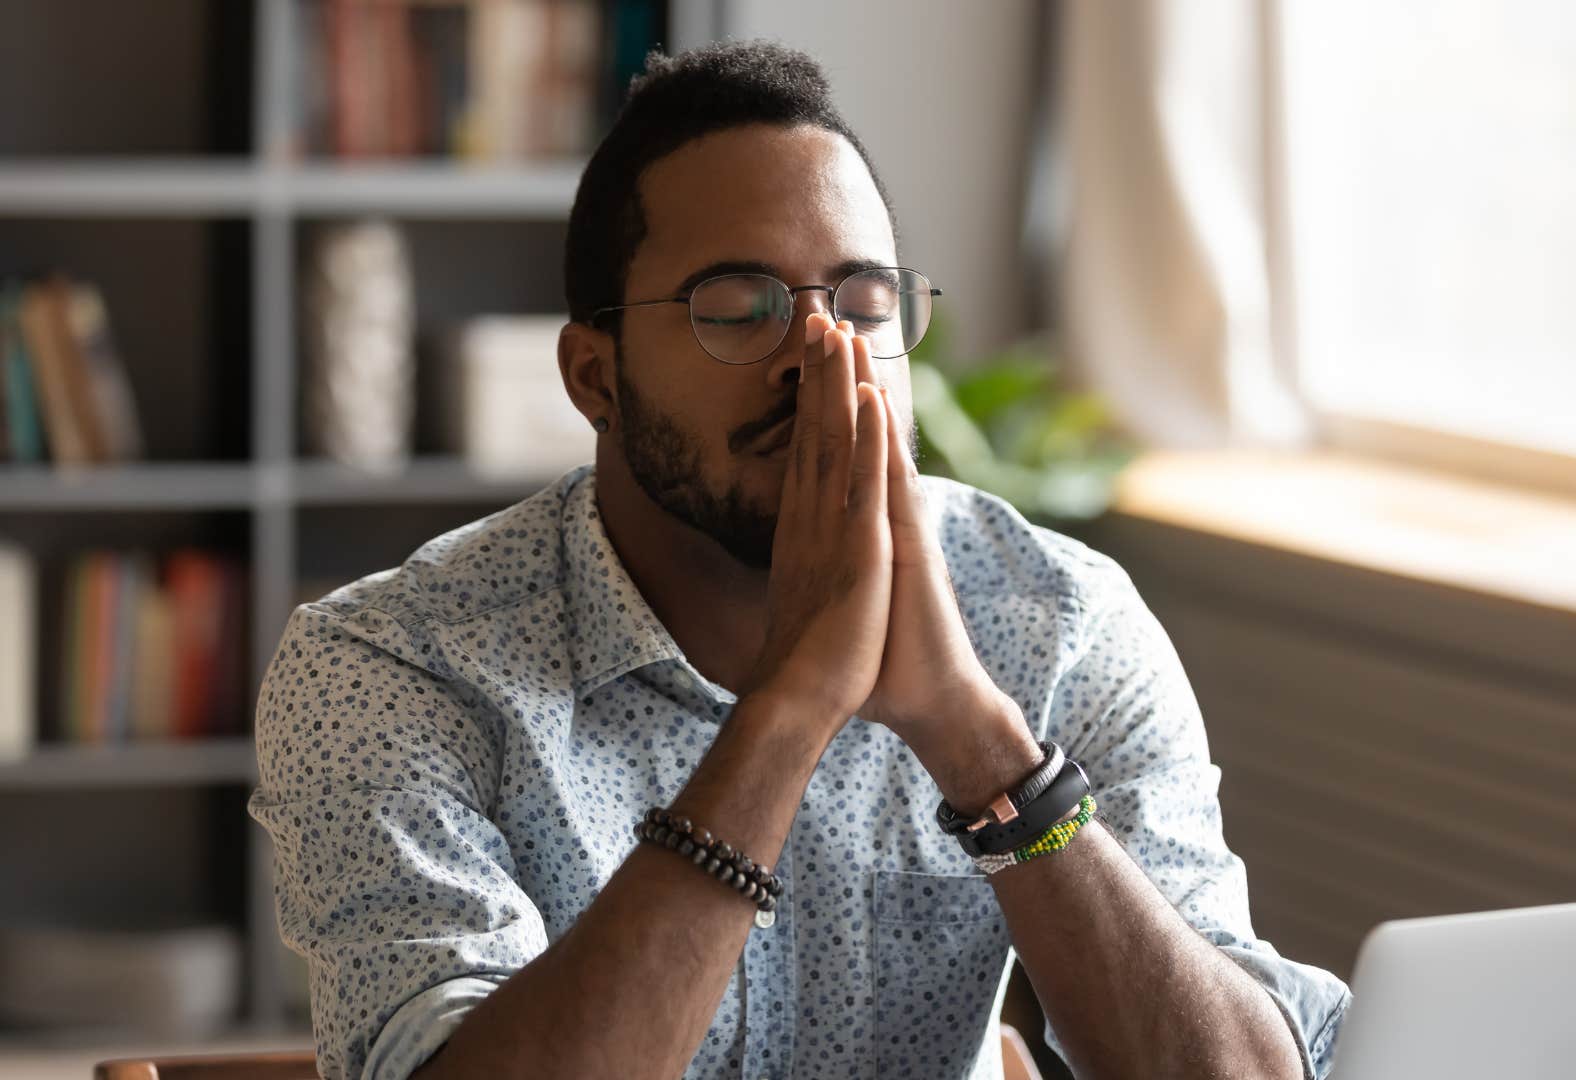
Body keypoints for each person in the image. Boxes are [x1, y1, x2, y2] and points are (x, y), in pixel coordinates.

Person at [249, 40, 1349, 1080]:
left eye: (865, 304)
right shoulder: (390, 667)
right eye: (738, 310)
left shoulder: (1055, 617)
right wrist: (790, 709)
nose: (824, 360)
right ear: (595, 376)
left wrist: (979, 744)